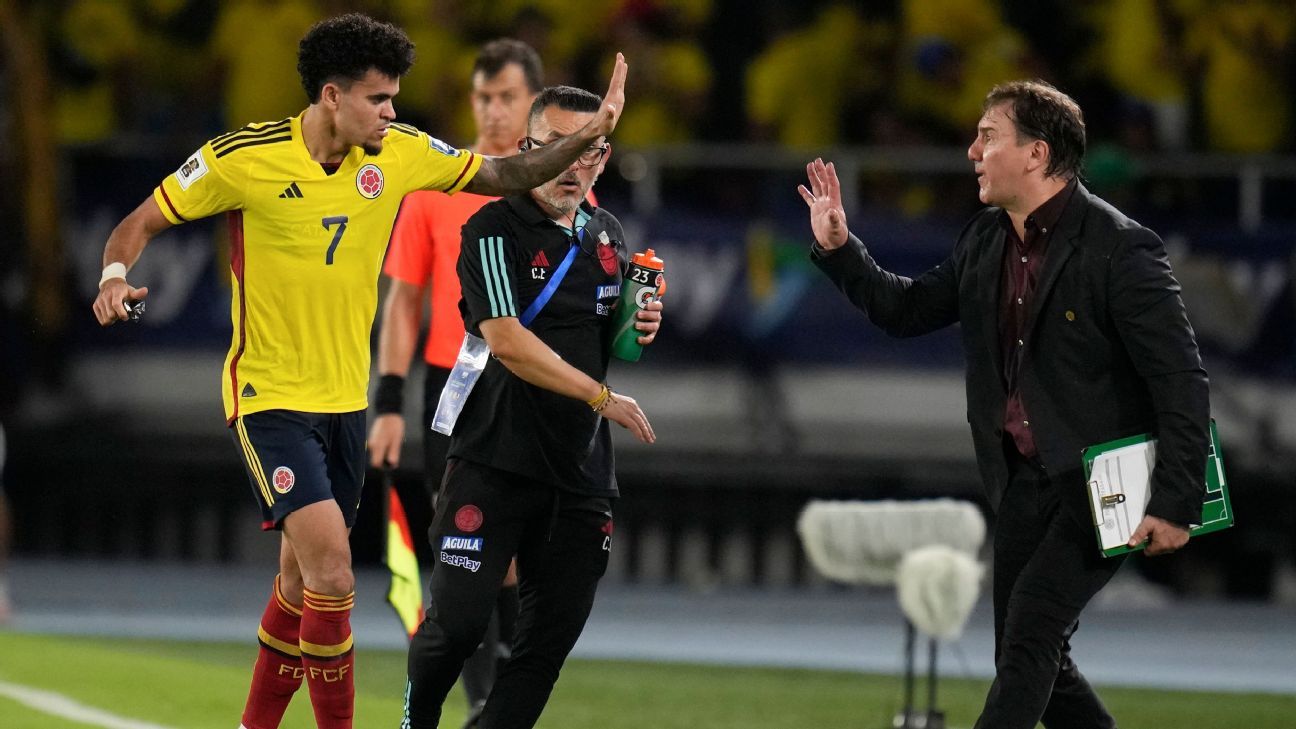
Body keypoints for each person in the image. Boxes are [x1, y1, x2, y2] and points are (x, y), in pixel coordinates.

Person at [90, 13, 629, 729]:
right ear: (332, 96)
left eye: (395, 98)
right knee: (335, 576)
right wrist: (114, 276)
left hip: (344, 402)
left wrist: (592, 134)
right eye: (379, 99)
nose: (392, 113)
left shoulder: (400, 153)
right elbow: (139, 222)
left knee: (297, 586)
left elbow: (508, 173)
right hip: (269, 397)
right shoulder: (241, 158)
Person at [799, 80, 1210, 729]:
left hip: (1102, 485)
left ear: (1037, 154)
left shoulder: (1120, 246)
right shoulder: (986, 238)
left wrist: (1177, 500)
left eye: (988, 136)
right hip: (1020, 481)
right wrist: (839, 248)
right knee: (1032, 652)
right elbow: (906, 310)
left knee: (1030, 635)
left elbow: (1181, 380)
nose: (972, 151)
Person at [402, 85, 662, 729]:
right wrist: (602, 396)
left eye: (590, 150)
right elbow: (508, 341)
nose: (574, 164)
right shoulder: (491, 228)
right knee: (457, 627)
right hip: (492, 458)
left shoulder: (607, 234)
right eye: (558, 147)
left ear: (604, 158)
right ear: (527, 149)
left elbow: (605, 339)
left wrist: (639, 324)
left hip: (579, 472)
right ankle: (418, 718)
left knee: (543, 649)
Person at [365, 38, 551, 728]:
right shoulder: (436, 186)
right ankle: (482, 705)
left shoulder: (559, 189)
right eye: (483, 97)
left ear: (533, 102)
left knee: (520, 552)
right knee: (467, 545)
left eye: (507, 97)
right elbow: (402, 302)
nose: (493, 110)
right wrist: (388, 401)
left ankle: (496, 700)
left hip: (533, 383)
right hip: (456, 384)